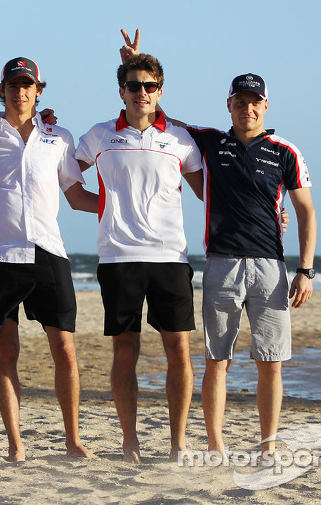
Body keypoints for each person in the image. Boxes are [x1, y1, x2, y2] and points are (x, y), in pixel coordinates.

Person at [120, 29, 317, 460]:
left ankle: (267, 445)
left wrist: (305, 270)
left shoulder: (285, 152)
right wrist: (138, 63)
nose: (247, 108)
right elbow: (158, 115)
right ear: (229, 104)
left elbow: (305, 211)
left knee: (271, 363)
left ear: (265, 106)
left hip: (270, 267)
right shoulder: (209, 141)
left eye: (255, 102)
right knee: (217, 360)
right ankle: (215, 443)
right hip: (222, 264)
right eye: (239, 101)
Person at [0, 57, 97, 462]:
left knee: (64, 349)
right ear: (3, 90)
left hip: (49, 251)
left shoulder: (59, 138)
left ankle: (73, 440)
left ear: (38, 90)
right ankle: (16, 445)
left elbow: (76, 195)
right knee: (6, 350)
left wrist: (119, 208)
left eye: (27, 85)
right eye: (13, 85)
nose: (20, 92)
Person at [74, 52, 204, 463]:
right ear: (121, 91)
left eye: (150, 86)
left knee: (178, 352)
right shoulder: (99, 135)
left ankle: (178, 442)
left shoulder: (180, 140)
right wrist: (109, 208)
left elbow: (209, 193)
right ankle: (129, 440)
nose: (142, 92)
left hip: (171, 257)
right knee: (124, 351)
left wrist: (275, 213)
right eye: (134, 86)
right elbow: (66, 182)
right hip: (118, 259)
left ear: (160, 92)